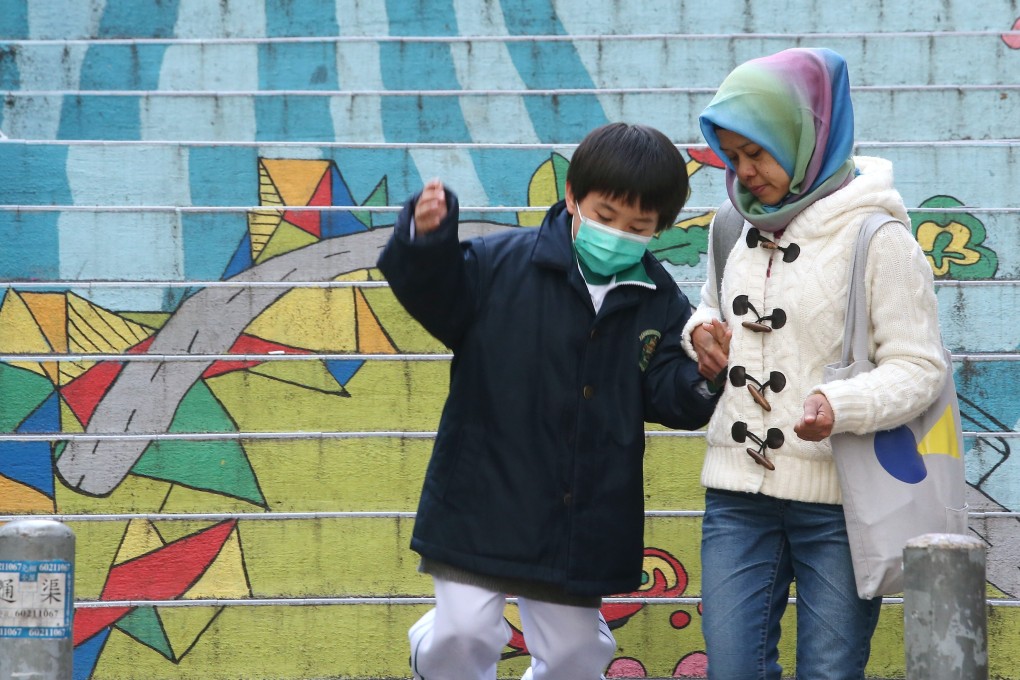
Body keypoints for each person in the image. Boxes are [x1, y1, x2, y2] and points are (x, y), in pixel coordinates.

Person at [377, 122, 719, 680]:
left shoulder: (660, 303)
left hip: (579, 514)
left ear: (660, 229)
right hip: (482, 498)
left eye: (639, 227)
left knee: (575, 656)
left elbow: (668, 391)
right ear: (572, 198)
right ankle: (430, 647)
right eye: (605, 216)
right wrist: (426, 241)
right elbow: (436, 297)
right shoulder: (499, 265)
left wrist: (704, 378)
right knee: (463, 633)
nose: (617, 234)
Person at [684, 48, 948, 679]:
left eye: (759, 153)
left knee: (829, 674)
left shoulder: (877, 237)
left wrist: (842, 406)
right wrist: (701, 335)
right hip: (736, 497)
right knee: (732, 671)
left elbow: (921, 367)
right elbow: (705, 307)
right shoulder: (731, 229)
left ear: (806, 138)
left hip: (841, 502)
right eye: (734, 156)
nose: (745, 173)